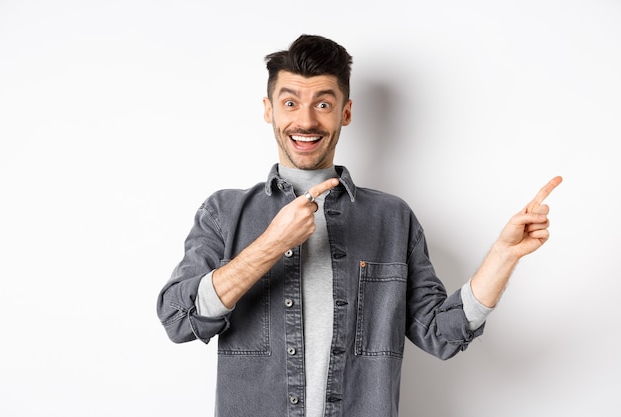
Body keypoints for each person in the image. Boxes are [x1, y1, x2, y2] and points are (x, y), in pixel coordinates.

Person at [157, 34, 562, 417]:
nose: (306, 121)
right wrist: (270, 245)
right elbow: (177, 319)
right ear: (269, 110)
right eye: (290, 103)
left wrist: (503, 256)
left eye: (323, 104)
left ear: (345, 113)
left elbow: (441, 334)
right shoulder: (224, 212)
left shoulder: (391, 218)